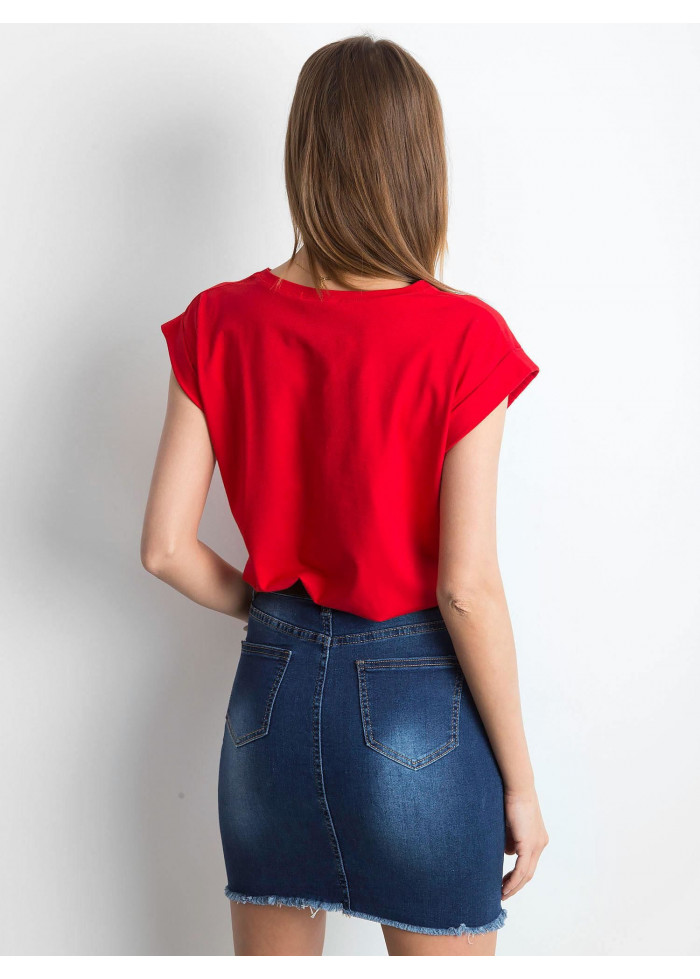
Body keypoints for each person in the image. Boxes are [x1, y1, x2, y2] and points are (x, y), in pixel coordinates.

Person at [141, 34, 548, 957]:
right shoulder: (464, 338)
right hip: (419, 705)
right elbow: (466, 588)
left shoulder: (217, 321)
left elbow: (164, 547)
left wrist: (274, 609)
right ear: (420, 165)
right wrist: (521, 785)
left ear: (305, 157)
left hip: (269, 699)